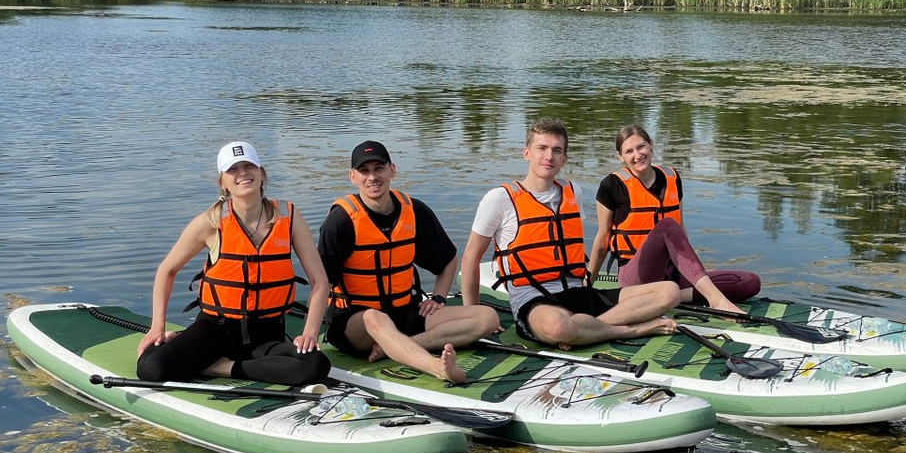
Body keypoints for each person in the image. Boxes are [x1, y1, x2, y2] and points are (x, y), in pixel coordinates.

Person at [461, 117, 679, 348]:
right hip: (535, 300)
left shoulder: (572, 191)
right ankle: (631, 330)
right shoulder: (500, 199)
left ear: (564, 158)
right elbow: (470, 258)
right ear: (526, 153)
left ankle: (586, 330)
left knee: (669, 292)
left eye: (557, 150)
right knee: (559, 326)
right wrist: (472, 315)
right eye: (542, 148)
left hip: (579, 292)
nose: (549, 156)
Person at [136, 141, 331, 385]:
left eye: (249, 166)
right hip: (216, 329)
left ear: (262, 173)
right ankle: (186, 344)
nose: (243, 174)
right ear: (222, 182)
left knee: (315, 365)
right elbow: (167, 270)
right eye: (233, 169)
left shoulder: (289, 217)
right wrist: (157, 326)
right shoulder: (211, 222)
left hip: (267, 333)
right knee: (150, 368)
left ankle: (220, 368)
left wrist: (310, 332)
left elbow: (320, 281)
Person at [317, 140, 501, 383]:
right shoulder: (341, 221)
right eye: (364, 171)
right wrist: (310, 335)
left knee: (487, 318)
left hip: (405, 313)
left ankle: (400, 347)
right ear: (353, 177)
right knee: (376, 318)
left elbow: (447, 260)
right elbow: (320, 283)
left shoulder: (414, 211)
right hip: (355, 323)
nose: (372, 177)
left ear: (392, 170)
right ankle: (438, 368)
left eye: (379, 168)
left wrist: (438, 297)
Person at [587, 124, 761, 314]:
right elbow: (603, 243)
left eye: (641, 147)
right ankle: (714, 299)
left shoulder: (672, 177)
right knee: (667, 225)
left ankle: (674, 296)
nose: (637, 155)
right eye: (629, 151)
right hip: (636, 276)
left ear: (651, 145)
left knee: (749, 282)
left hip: (671, 274)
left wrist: (692, 271)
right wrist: (586, 286)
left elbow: (681, 230)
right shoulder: (611, 186)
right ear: (620, 156)